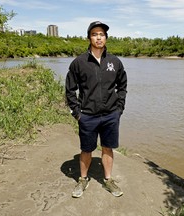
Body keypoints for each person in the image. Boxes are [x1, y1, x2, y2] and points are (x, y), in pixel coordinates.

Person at [65, 21, 127, 198]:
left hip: (110, 115)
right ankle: (83, 179)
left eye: (102, 34)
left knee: (108, 148)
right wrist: (77, 114)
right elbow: (70, 90)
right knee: (86, 149)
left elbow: (122, 86)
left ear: (106, 38)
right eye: (95, 34)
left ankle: (108, 180)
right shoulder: (79, 62)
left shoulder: (115, 62)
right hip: (88, 116)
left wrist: (119, 108)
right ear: (89, 37)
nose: (99, 37)